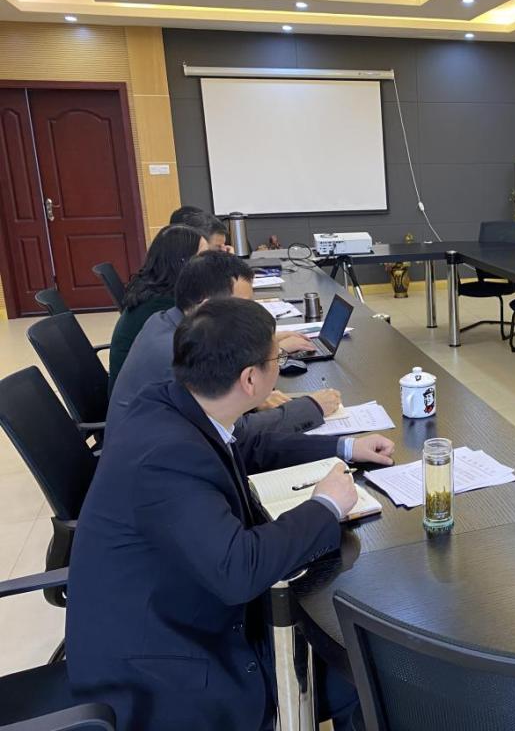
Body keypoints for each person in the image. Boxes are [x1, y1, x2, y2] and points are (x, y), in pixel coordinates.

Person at [67, 297, 396, 731]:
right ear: (250, 379)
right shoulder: (167, 457)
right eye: (276, 358)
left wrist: (345, 446)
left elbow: (248, 446)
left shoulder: (170, 402)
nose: (280, 365)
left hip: (172, 616)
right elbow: (239, 570)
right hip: (165, 669)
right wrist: (326, 506)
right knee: (367, 675)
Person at [108, 251, 338, 435]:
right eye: (242, 305)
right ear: (207, 305)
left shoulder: (166, 321)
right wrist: (312, 407)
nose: (249, 313)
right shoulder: (180, 354)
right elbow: (237, 432)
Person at [107, 224, 207, 393]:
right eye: (203, 257)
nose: (208, 264)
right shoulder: (162, 306)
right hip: (143, 399)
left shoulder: (155, 290)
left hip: (141, 392)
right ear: (183, 262)